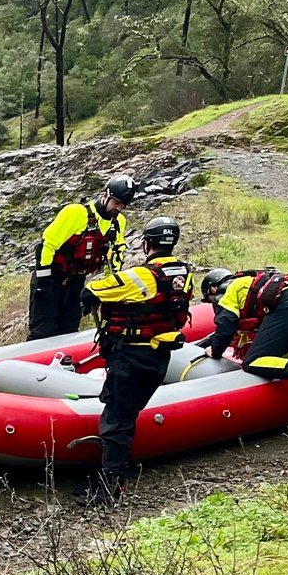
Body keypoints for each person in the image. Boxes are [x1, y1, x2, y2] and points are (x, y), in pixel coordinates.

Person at [82, 215, 191, 505]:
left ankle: (110, 487)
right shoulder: (184, 272)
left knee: (117, 418)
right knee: (126, 415)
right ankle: (114, 475)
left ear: (147, 244)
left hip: (132, 356)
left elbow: (97, 288)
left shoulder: (142, 276)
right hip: (158, 356)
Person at [30, 174, 135, 340]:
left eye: (123, 205)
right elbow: (46, 245)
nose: (119, 208)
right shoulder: (76, 213)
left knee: (69, 329)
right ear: (105, 195)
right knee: (42, 330)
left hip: (76, 282)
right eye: (116, 203)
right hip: (51, 278)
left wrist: (109, 288)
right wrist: (43, 283)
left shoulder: (118, 222)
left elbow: (115, 254)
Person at [194, 267, 288, 387]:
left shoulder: (231, 290)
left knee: (253, 361)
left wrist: (216, 351)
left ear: (213, 289)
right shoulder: (250, 280)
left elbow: (225, 326)